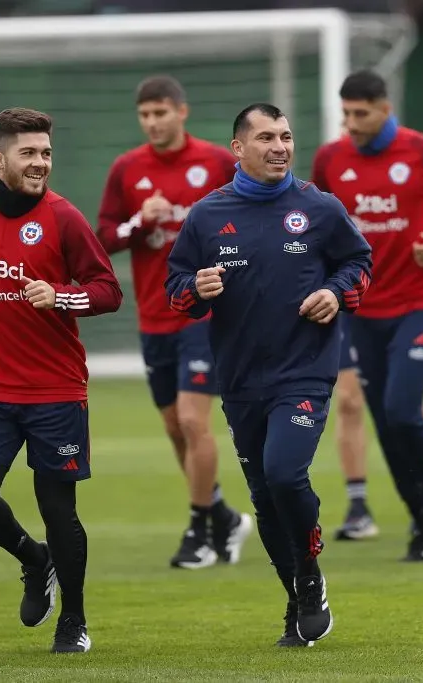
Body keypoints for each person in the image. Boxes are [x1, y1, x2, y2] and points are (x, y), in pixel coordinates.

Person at [165, 103, 372, 647]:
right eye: (266, 138)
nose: (280, 146)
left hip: (304, 372)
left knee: (284, 474)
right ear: (238, 148)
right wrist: (195, 288)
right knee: (263, 495)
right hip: (239, 378)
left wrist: (335, 292)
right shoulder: (207, 215)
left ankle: (310, 574)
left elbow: (359, 264)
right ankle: (298, 595)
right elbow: (176, 286)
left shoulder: (319, 207)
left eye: (286, 136)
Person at [0, 107, 123, 653]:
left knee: (58, 509)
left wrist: (61, 296)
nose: (41, 163)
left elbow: (108, 290)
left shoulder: (64, 218)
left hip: (56, 391)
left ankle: (75, 623)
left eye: (46, 153)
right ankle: (34, 560)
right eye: (29, 154)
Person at [312, 69, 423, 562]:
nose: (351, 123)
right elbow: (319, 220)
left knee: (403, 408)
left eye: (360, 113)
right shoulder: (331, 159)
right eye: (345, 114)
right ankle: (420, 516)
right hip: (362, 307)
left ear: (385, 109)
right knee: (385, 420)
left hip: (419, 301)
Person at [96, 75, 253, 568]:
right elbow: (104, 237)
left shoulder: (215, 163)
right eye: (145, 115)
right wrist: (140, 221)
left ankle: (199, 530)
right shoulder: (127, 168)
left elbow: (251, 218)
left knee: (192, 419)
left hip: (204, 313)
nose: (153, 122)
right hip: (154, 314)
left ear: (181, 112)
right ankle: (224, 517)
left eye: (161, 112)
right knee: (174, 427)